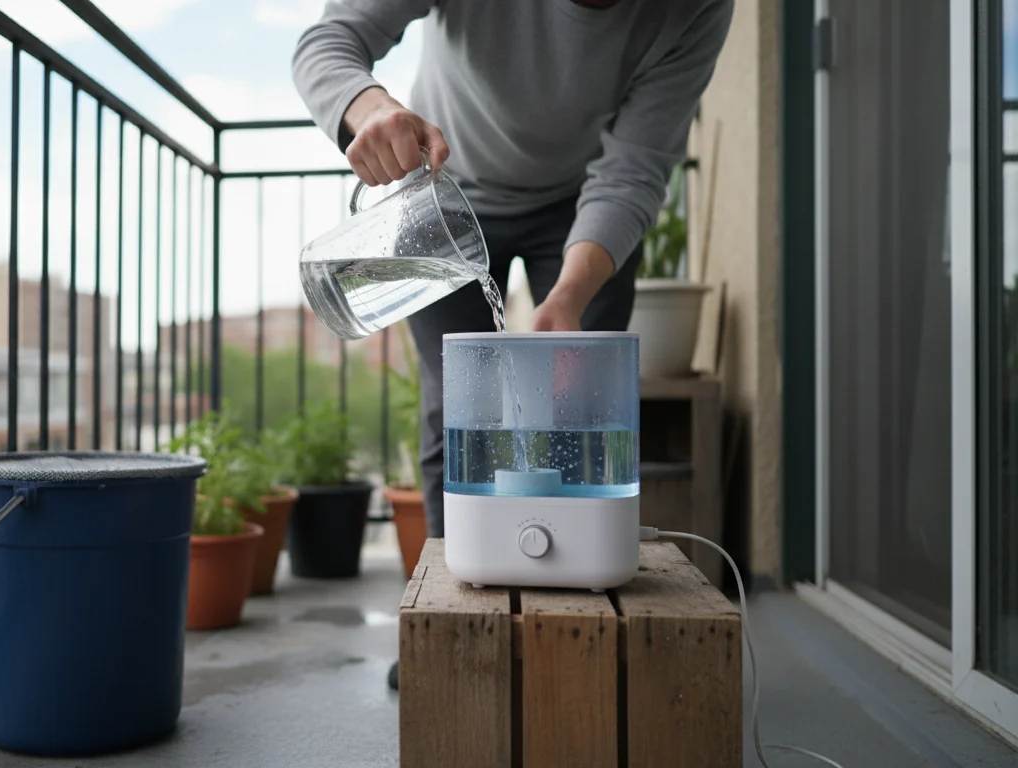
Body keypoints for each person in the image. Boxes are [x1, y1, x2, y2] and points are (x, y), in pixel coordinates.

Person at [292, 0, 733, 690]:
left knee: (585, 414)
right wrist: (368, 105)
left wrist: (568, 300)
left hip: (583, 205)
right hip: (442, 191)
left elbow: (635, 169)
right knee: (458, 407)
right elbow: (331, 38)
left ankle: (574, 628)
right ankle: (453, 631)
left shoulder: (694, 7)